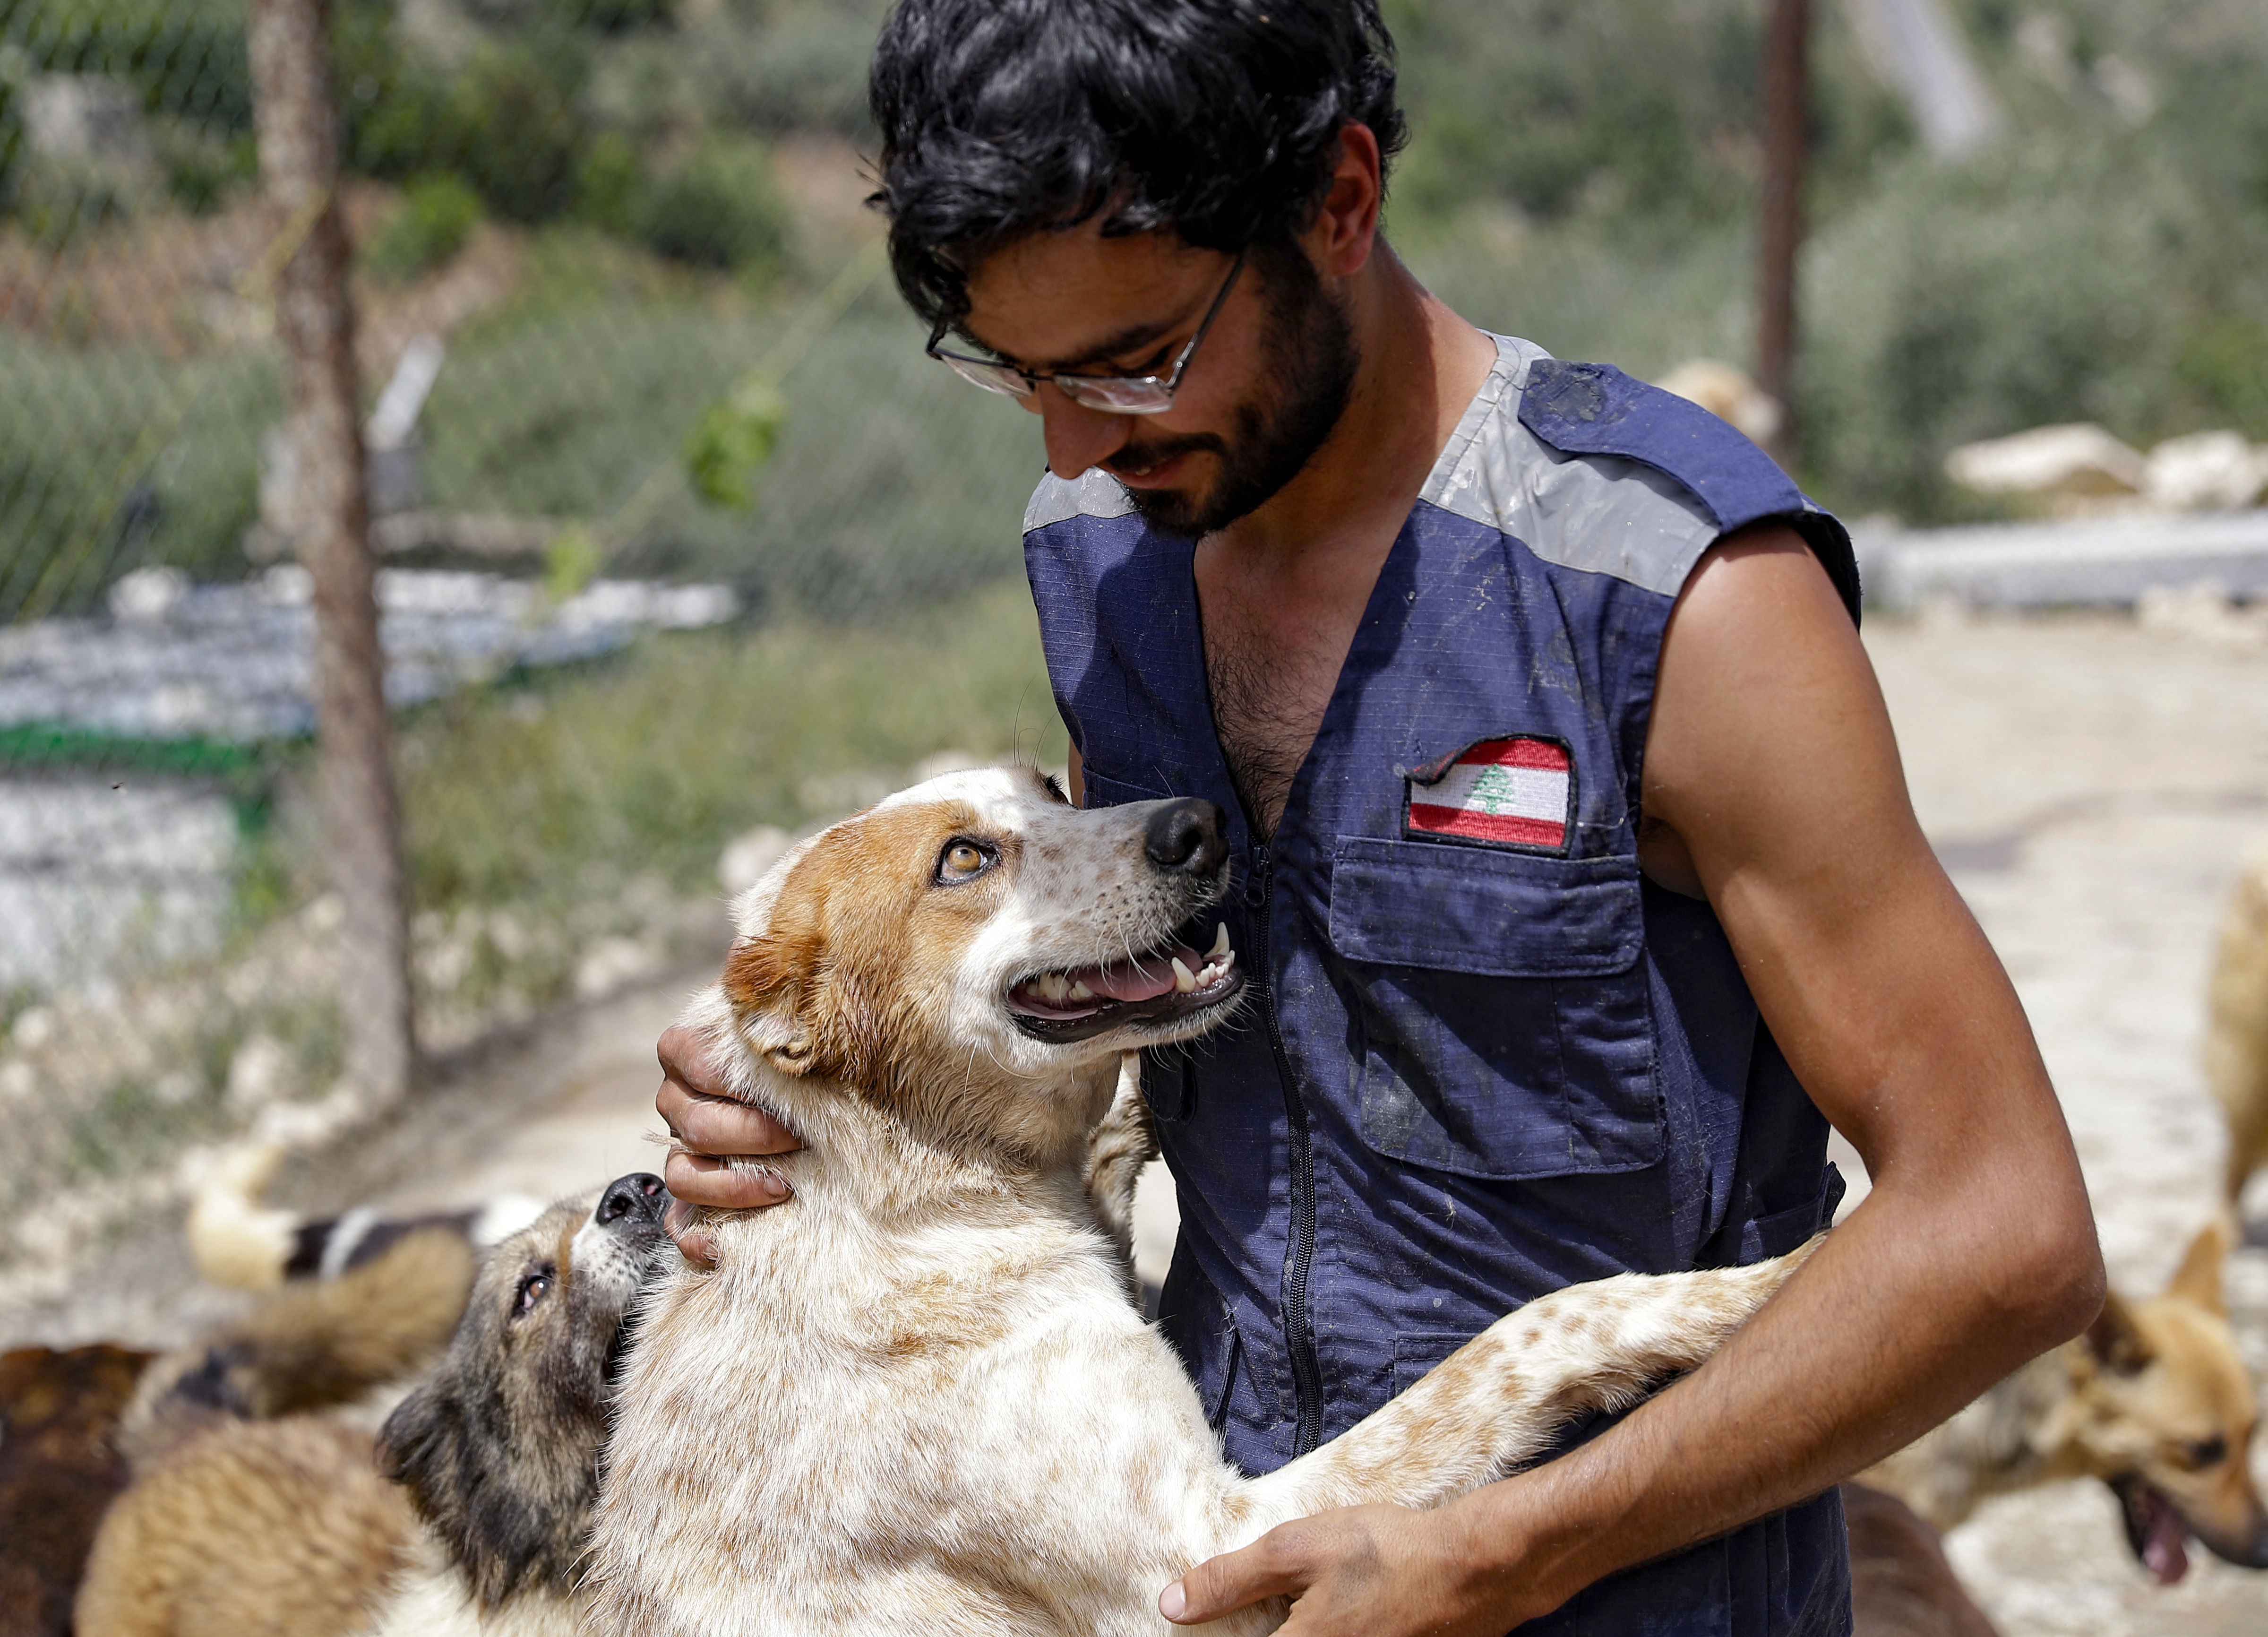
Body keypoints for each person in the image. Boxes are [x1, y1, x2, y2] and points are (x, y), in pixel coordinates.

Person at [653, 3, 2104, 1632]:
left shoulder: (1674, 600)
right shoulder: (1107, 544)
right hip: (1216, 1564)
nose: (1071, 442)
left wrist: (1517, 1547)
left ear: (1340, 203)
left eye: (1132, 360)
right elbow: (1138, 1062)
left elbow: (2007, 1230)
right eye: (1023, 375)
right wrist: (815, 1090)